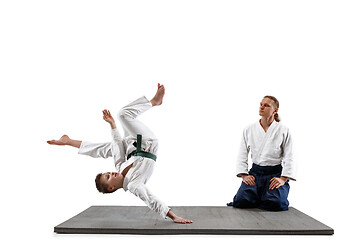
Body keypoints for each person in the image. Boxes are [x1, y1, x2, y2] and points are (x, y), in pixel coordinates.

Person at [47, 84, 192, 224]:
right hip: (148, 143)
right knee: (122, 115)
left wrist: (112, 124)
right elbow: (150, 199)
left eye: (107, 173)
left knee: (110, 147)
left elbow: (116, 142)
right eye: (108, 177)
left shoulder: (119, 165)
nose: (111, 173)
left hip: (133, 141)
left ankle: (68, 141)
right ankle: (154, 102)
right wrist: (173, 216)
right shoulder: (134, 185)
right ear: (111, 187)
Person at [227, 96, 296, 211]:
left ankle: (265, 196)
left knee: (276, 203)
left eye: (266, 105)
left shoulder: (284, 130)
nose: (261, 107)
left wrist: (283, 179)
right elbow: (242, 154)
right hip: (255, 173)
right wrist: (244, 175)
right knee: (241, 201)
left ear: (275, 110)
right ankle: (261, 195)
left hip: (274, 174)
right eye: (261, 104)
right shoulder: (249, 129)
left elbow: (290, 155)